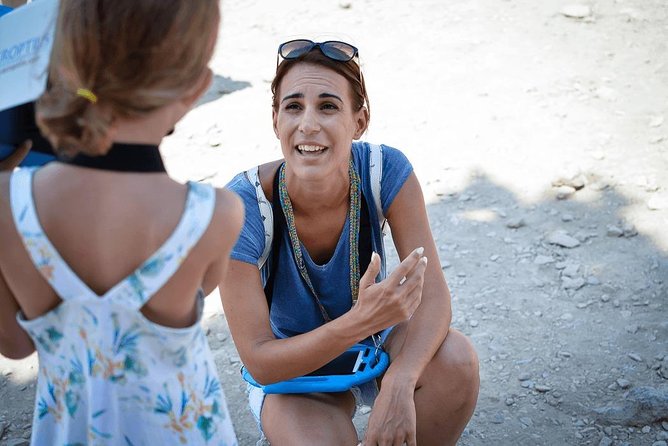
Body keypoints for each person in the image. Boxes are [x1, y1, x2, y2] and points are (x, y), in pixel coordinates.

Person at [0, 0, 242, 444]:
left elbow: (15, 345)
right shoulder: (213, 214)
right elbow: (197, 292)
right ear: (197, 87)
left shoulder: (6, 204)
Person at [221, 39, 479, 446]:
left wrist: (399, 383)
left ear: (359, 121)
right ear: (275, 120)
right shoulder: (242, 206)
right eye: (293, 106)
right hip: (296, 372)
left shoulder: (384, 170)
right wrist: (359, 321)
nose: (308, 124)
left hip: (377, 352)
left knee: (456, 360)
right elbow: (261, 360)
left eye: (328, 106)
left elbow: (433, 297)